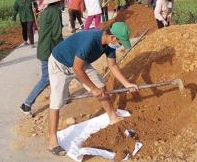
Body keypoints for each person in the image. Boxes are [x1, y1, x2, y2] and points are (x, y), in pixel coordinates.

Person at [46, 22, 139, 155]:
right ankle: (52, 140)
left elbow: (112, 66)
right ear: (113, 37)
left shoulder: (109, 45)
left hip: (79, 63)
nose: (119, 45)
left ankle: (112, 116)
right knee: (57, 101)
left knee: (101, 86)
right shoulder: (90, 41)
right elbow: (77, 69)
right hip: (60, 64)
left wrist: (127, 84)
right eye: (120, 42)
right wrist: (92, 89)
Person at [20, 0, 70, 116]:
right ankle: (26, 104)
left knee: (61, 72)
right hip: (49, 50)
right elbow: (56, 34)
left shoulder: (47, 10)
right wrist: (65, 48)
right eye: (63, 0)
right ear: (59, 1)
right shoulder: (55, 12)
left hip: (45, 48)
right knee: (46, 78)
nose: (64, 2)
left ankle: (65, 96)